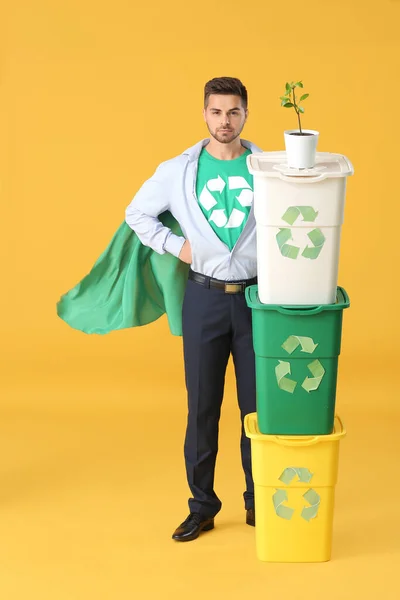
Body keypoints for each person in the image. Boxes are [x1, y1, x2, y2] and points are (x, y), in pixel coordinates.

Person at [125, 76, 262, 542]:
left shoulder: (269, 167)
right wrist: (175, 246)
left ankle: (258, 501)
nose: (225, 121)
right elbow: (137, 214)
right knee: (202, 407)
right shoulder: (177, 170)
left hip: (256, 300)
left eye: (234, 112)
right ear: (204, 114)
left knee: (257, 411)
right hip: (202, 298)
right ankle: (202, 505)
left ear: (246, 114)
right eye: (217, 111)